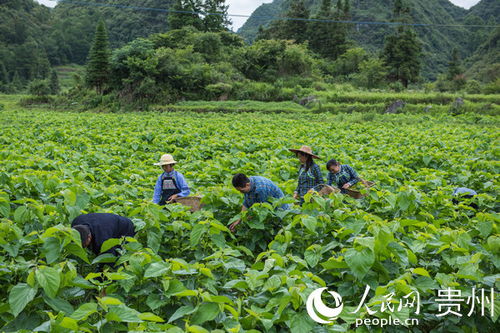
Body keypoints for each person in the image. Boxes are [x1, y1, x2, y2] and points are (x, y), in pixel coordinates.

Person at [71, 213, 136, 256]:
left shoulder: (102, 239)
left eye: (84, 245)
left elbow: (109, 258)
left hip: (125, 227)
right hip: (107, 222)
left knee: (120, 254)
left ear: (89, 237)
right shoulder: (75, 223)